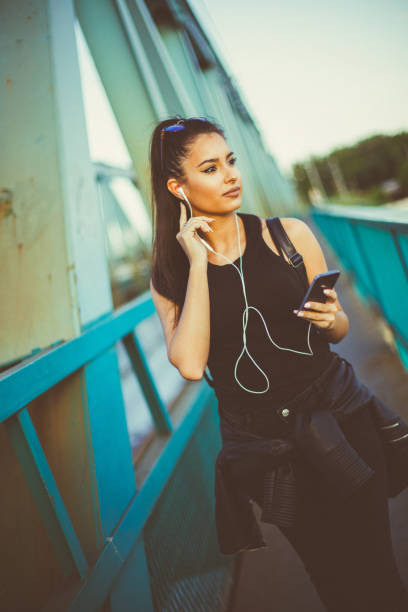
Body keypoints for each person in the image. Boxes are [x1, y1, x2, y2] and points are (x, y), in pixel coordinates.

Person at [148, 116, 408, 611]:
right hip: (268, 454)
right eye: (210, 167)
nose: (230, 175)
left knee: (377, 572)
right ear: (178, 187)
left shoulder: (288, 235)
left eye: (231, 161)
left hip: (342, 422)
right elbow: (188, 362)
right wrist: (199, 265)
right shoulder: (170, 273)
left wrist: (331, 319)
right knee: (333, 584)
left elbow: (338, 332)